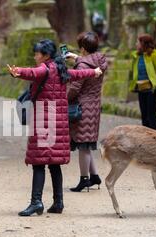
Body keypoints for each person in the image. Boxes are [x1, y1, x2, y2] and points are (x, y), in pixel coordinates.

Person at [7, 39, 102, 216]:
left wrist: (17, 72)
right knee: (53, 164)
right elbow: (78, 74)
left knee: (38, 163)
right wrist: (94, 72)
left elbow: (32, 73)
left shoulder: (45, 68)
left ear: (46, 55)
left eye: (37, 53)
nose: (35, 56)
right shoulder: (60, 69)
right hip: (58, 122)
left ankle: (36, 202)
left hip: (44, 121)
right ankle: (58, 202)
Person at [65, 32, 108, 192]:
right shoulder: (100, 61)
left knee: (83, 146)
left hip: (82, 106)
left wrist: (63, 98)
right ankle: (94, 176)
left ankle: (84, 179)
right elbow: (89, 63)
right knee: (87, 143)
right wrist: (76, 57)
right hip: (94, 105)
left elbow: (75, 88)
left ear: (83, 48)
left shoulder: (82, 66)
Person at [129, 34, 156, 130]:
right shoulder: (137, 56)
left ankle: (154, 136)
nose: (136, 44)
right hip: (141, 89)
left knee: (151, 115)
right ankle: (145, 137)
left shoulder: (154, 54)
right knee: (144, 115)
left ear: (143, 44)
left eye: (137, 42)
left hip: (152, 90)